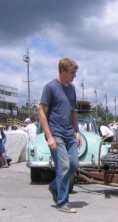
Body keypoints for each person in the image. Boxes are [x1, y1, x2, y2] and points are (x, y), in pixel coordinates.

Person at [39, 57, 82, 213]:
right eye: (72, 73)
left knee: (74, 165)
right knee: (63, 167)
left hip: (70, 133)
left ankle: (53, 186)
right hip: (55, 133)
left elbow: (73, 113)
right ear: (63, 71)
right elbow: (42, 113)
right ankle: (62, 202)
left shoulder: (71, 89)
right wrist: (49, 136)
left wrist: (77, 133)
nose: (74, 76)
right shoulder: (50, 87)